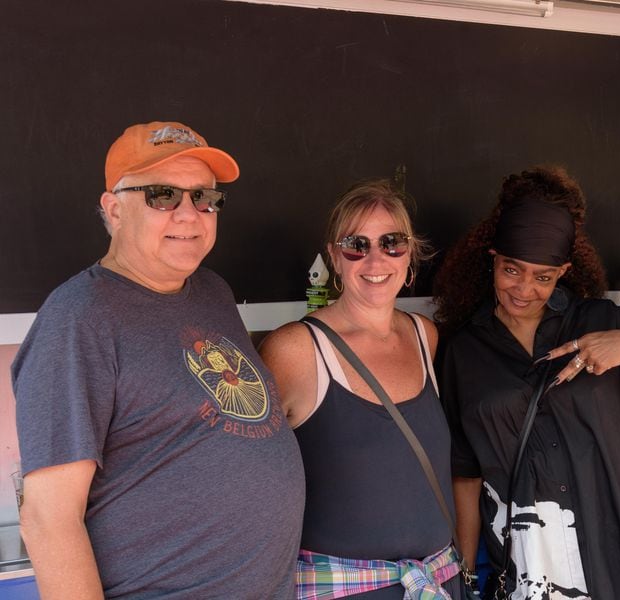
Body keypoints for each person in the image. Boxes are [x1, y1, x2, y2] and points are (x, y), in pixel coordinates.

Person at [12, 121, 305, 599]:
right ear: (113, 209)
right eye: (163, 195)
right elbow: (47, 518)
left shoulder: (211, 290)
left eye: (205, 198)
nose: (189, 214)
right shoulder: (79, 319)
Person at [434, 166, 620, 599]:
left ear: (564, 270)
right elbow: (466, 475)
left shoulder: (601, 322)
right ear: (492, 256)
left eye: (543, 276)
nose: (524, 289)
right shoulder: (464, 353)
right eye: (512, 269)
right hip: (531, 568)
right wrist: (465, 577)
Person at [259, 180, 463, 599]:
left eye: (392, 242)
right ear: (334, 256)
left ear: (410, 254)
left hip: (436, 585)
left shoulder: (425, 337)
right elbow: (251, 482)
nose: (376, 259)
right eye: (356, 244)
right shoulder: (295, 350)